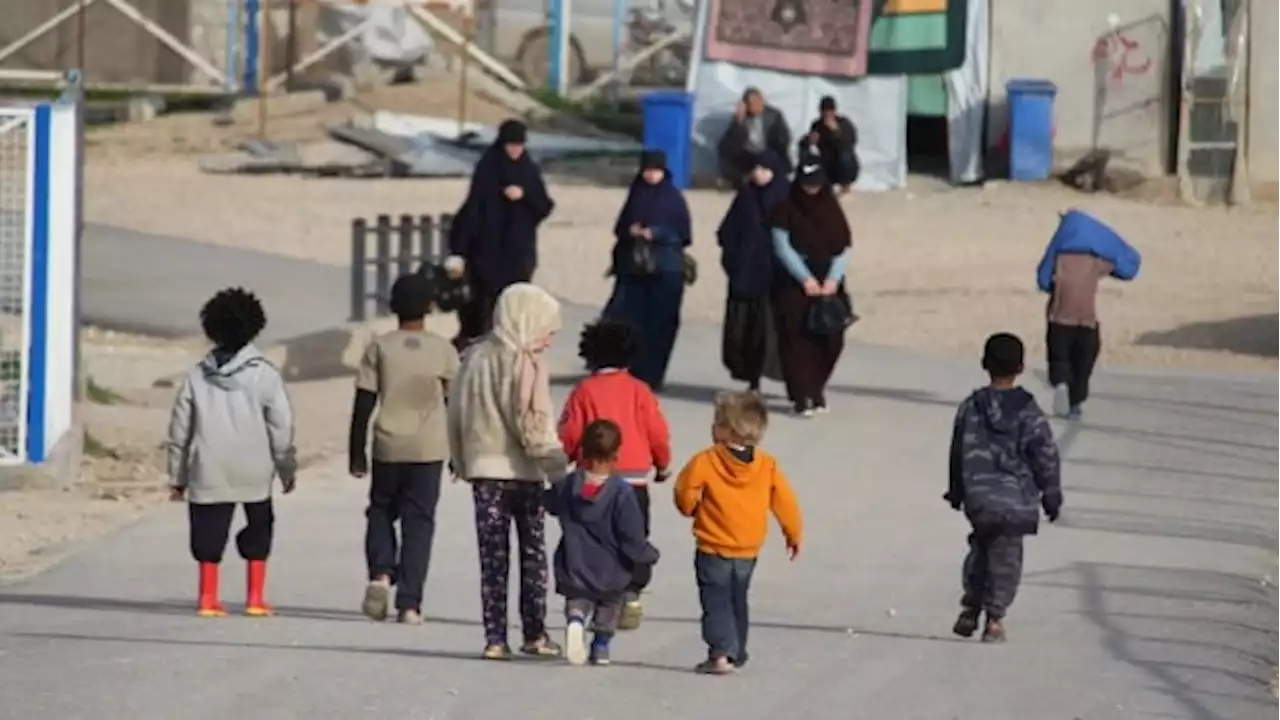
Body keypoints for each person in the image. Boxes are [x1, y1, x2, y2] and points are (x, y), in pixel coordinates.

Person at [447, 282, 568, 660]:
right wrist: (559, 469)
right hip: (524, 473)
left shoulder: (474, 357)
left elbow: (457, 413)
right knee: (533, 554)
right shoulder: (525, 363)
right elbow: (532, 424)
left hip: (485, 472)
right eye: (546, 328)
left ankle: (495, 638)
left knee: (492, 559)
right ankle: (534, 633)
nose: (550, 337)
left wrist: (461, 459)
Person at [166, 287, 297, 618]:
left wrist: (177, 476)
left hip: (209, 467)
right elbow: (281, 427)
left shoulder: (196, 376)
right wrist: (286, 468)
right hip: (254, 468)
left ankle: (208, 597)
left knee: (208, 534)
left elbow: (179, 431)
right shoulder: (265, 374)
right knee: (260, 527)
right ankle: (255, 597)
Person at [349, 273, 460, 625]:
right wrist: (459, 453)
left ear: (392, 307)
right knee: (419, 522)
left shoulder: (380, 347)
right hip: (429, 448)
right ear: (429, 308)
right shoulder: (442, 349)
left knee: (381, 509)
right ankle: (410, 603)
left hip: (387, 445)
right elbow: (454, 405)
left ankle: (380, 573)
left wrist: (356, 451)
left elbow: (363, 403)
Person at [673, 391, 803, 675]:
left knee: (715, 600)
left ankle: (720, 653)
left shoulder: (705, 461)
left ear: (728, 430)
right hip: (748, 548)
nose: (712, 427)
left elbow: (685, 491)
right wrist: (792, 533)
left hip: (712, 546)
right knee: (738, 598)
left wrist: (690, 508)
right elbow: (785, 500)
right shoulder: (766, 464)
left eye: (717, 422)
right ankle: (737, 650)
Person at [945, 332, 1062, 643]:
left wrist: (957, 491)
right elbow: (1045, 455)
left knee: (981, 548)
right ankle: (995, 618)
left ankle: (970, 606)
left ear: (985, 364)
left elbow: (957, 450)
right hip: (1016, 500)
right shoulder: (1028, 411)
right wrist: (1052, 496)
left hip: (979, 498)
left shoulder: (971, 406)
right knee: (1006, 558)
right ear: (1021, 367)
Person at [559, 319, 672, 630]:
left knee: (592, 536)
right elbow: (657, 432)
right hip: (634, 478)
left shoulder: (584, 391)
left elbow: (570, 434)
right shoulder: (640, 390)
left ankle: (592, 594)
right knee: (633, 535)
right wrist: (662, 464)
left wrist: (565, 462)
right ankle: (631, 594)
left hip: (593, 477)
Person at [546, 419, 660, 666]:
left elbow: (551, 505)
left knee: (577, 599)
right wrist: (647, 555)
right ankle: (600, 645)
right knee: (609, 606)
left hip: (574, 562)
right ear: (617, 454)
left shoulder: (568, 485)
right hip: (611, 569)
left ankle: (575, 619)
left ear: (583, 451)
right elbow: (631, 535)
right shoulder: (621, 493)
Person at [446, 119, 555, 352]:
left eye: (519, 146)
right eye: (511, 145)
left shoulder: (528, 169)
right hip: (486, 248)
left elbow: (544, 205)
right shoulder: (488, 167)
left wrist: (523, 195)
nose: (515, 150)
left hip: (518, 250)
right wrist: (460, 249)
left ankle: (511, 345)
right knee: (481, 301)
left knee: (514, 300)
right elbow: (474, 207)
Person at [1035, 209, 1140, 419]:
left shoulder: (1059, 256)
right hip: (1086, 321)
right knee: (1083, 362)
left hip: (1059, 318)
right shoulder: (1094, 261)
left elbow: (1043, 279)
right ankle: (1075, 403)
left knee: (1059, 357)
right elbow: (1125, 269)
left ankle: (1061, 383)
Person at [768, 162, 853, 417]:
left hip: (829, 284)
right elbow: (782, 246)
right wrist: (804, 279)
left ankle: (817, 388)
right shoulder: (785, 209)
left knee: (831, 340)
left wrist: (832, 280)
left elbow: (844, 246)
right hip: (794, 287)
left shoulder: (832, 209)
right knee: (797, 341)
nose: (811, 190)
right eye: (807, 184)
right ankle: (801, 395)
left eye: (816, 184)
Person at [603, 149, 692, 392]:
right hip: (633, 269)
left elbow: (683, 233)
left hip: (665, 270)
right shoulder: (636, 193)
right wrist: (631, 231)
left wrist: (656, 233)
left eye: (656, 171)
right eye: (648, 171)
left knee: (660, 325)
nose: (652, 176)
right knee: (627, 320)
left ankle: (652, 376)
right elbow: (619, 227)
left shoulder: (672, 197)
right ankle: (625, 370)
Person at [717, 150, 790, 393]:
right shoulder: (745, 197)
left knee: (768, 332)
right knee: (742, 332)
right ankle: (752, 380)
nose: (759, 174)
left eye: (764, 170)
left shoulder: (785, 197)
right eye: (755, 169)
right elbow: (726, 231)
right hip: (744, 275)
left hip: (773, 278)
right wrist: (734, 258)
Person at [717, 88, 793, 186]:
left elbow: (784, 139)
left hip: (767, 152)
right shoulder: (742, 117)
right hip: (749, 154)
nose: (755, 106)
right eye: (750, 103)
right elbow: (732, 144)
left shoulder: (774, 115)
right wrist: (739, 123)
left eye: (757, 102)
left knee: (771, 158)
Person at [799, 96, 859, 192]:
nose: (827, 114)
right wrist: (809, 140)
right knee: (808, 156)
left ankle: (845, 186)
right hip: (826, 161)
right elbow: (806, 144)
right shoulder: (817, 125)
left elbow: (850, 143)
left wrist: (836, 132)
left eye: (830, 111)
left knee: (845, 156)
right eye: (825, 111)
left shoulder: (843, 123)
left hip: (842, 161)